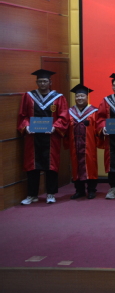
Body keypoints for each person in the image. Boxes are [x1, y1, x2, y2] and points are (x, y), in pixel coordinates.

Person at [17, 69, 69, 205]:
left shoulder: (58, 97)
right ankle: (32, 195)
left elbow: (64, 117)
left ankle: (50, 194)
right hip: (32, 138)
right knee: (32, 166)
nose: (42, 83)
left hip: (51, 137)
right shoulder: (28, 96)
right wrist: (26, 126)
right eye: (40, 81)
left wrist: (55, 127)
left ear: (50, 82)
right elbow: (23, 115)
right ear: (37, 82)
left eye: (45, 81)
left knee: (51, 166)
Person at [65, 84, 99, 200]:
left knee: (90, 166)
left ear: (87, 97)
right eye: (77, 96)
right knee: (76, 166)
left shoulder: (93, 111)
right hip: (75, 145)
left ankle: (91, 190)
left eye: (82, 96)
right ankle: (79, 190)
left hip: (89, 146)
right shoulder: (70, 112)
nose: (79, 98)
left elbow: (98, 129)